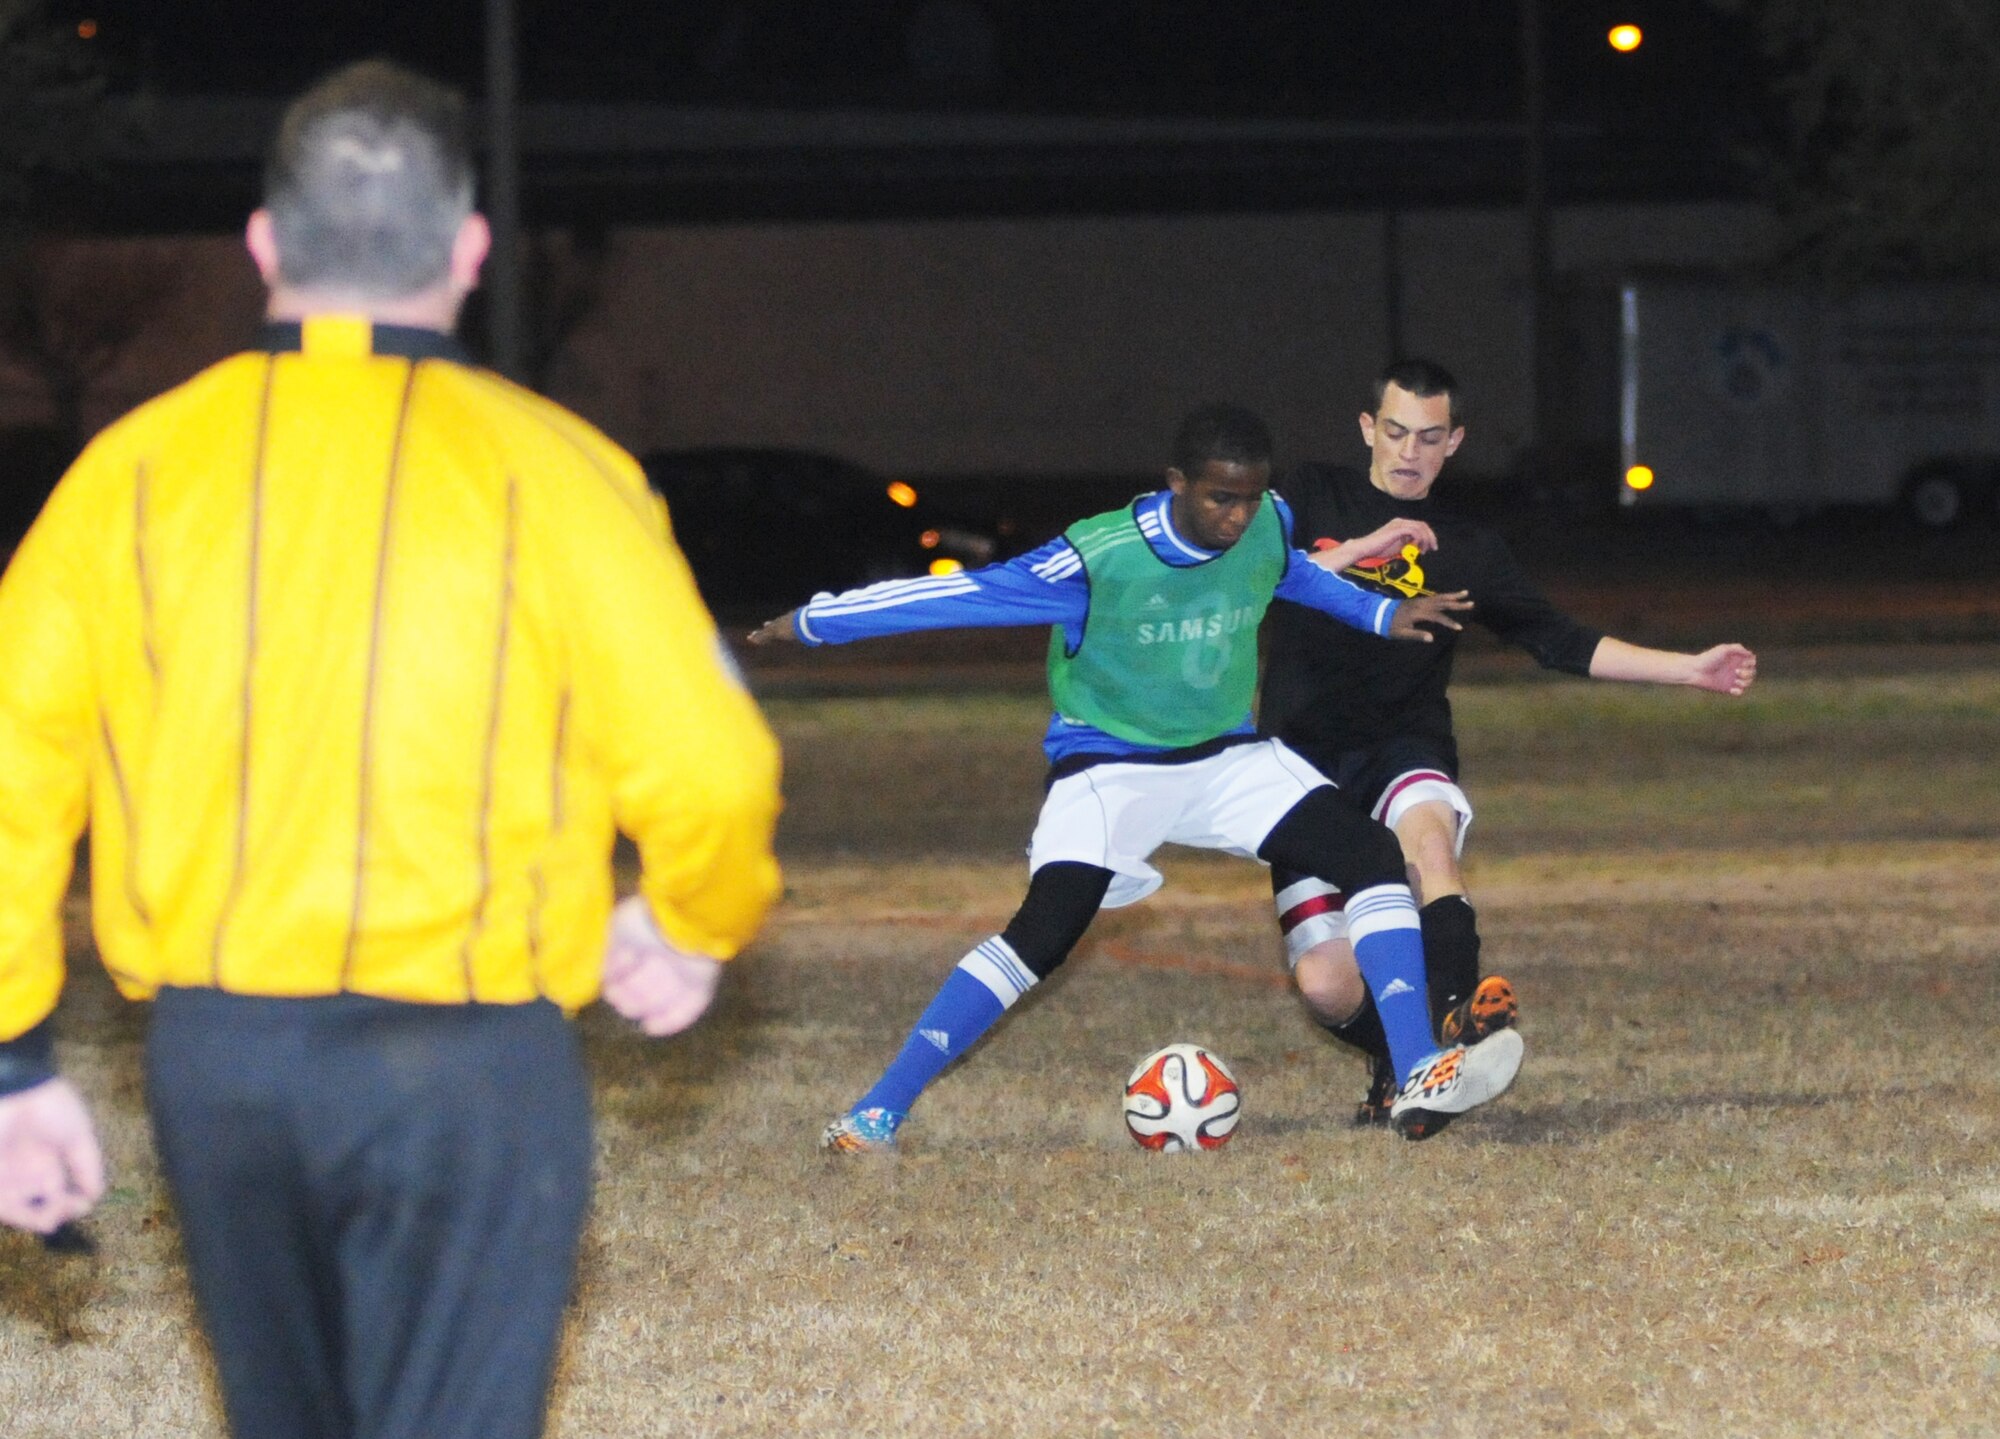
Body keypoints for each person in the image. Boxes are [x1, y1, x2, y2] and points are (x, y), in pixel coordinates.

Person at [0, 62, 782, 1439]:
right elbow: (712, 764)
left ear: (262, 244)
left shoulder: (124, 474)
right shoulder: (565, 471)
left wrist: (12, 1061)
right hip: (471, 1068)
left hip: (219, 1058)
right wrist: (693, 915)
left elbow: (9, 775)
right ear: (472, 250)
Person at [748, 402, 1525, 1150]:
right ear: (1176, 482)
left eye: (1253, 497)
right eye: (1222, 497)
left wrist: (1381, 615)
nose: (1239, 516)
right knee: (1044, 933)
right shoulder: (1098, 554)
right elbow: (956, 596)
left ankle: (1419, 1067)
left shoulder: (1265, 526)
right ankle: (877, 1112)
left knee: (1368, 852)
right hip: (1109, 765)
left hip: (1223, 757)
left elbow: (1292, 574)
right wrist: (816, 621)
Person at [1261, 357, 1757, 1123]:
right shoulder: (1308, 493)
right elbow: (1249, 577)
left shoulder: (1469, 545)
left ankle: (1454, 1027)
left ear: (1453, 442)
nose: (1409, 451)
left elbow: (1559, 639)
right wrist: (1356, 550)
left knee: (1430, 848)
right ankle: (1404, 1058)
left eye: (1429, 437)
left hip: (1403, 745)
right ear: (1368, 428)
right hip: (1298, 763)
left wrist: (1688, 669)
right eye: (1395, 431)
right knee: (1327, 984)